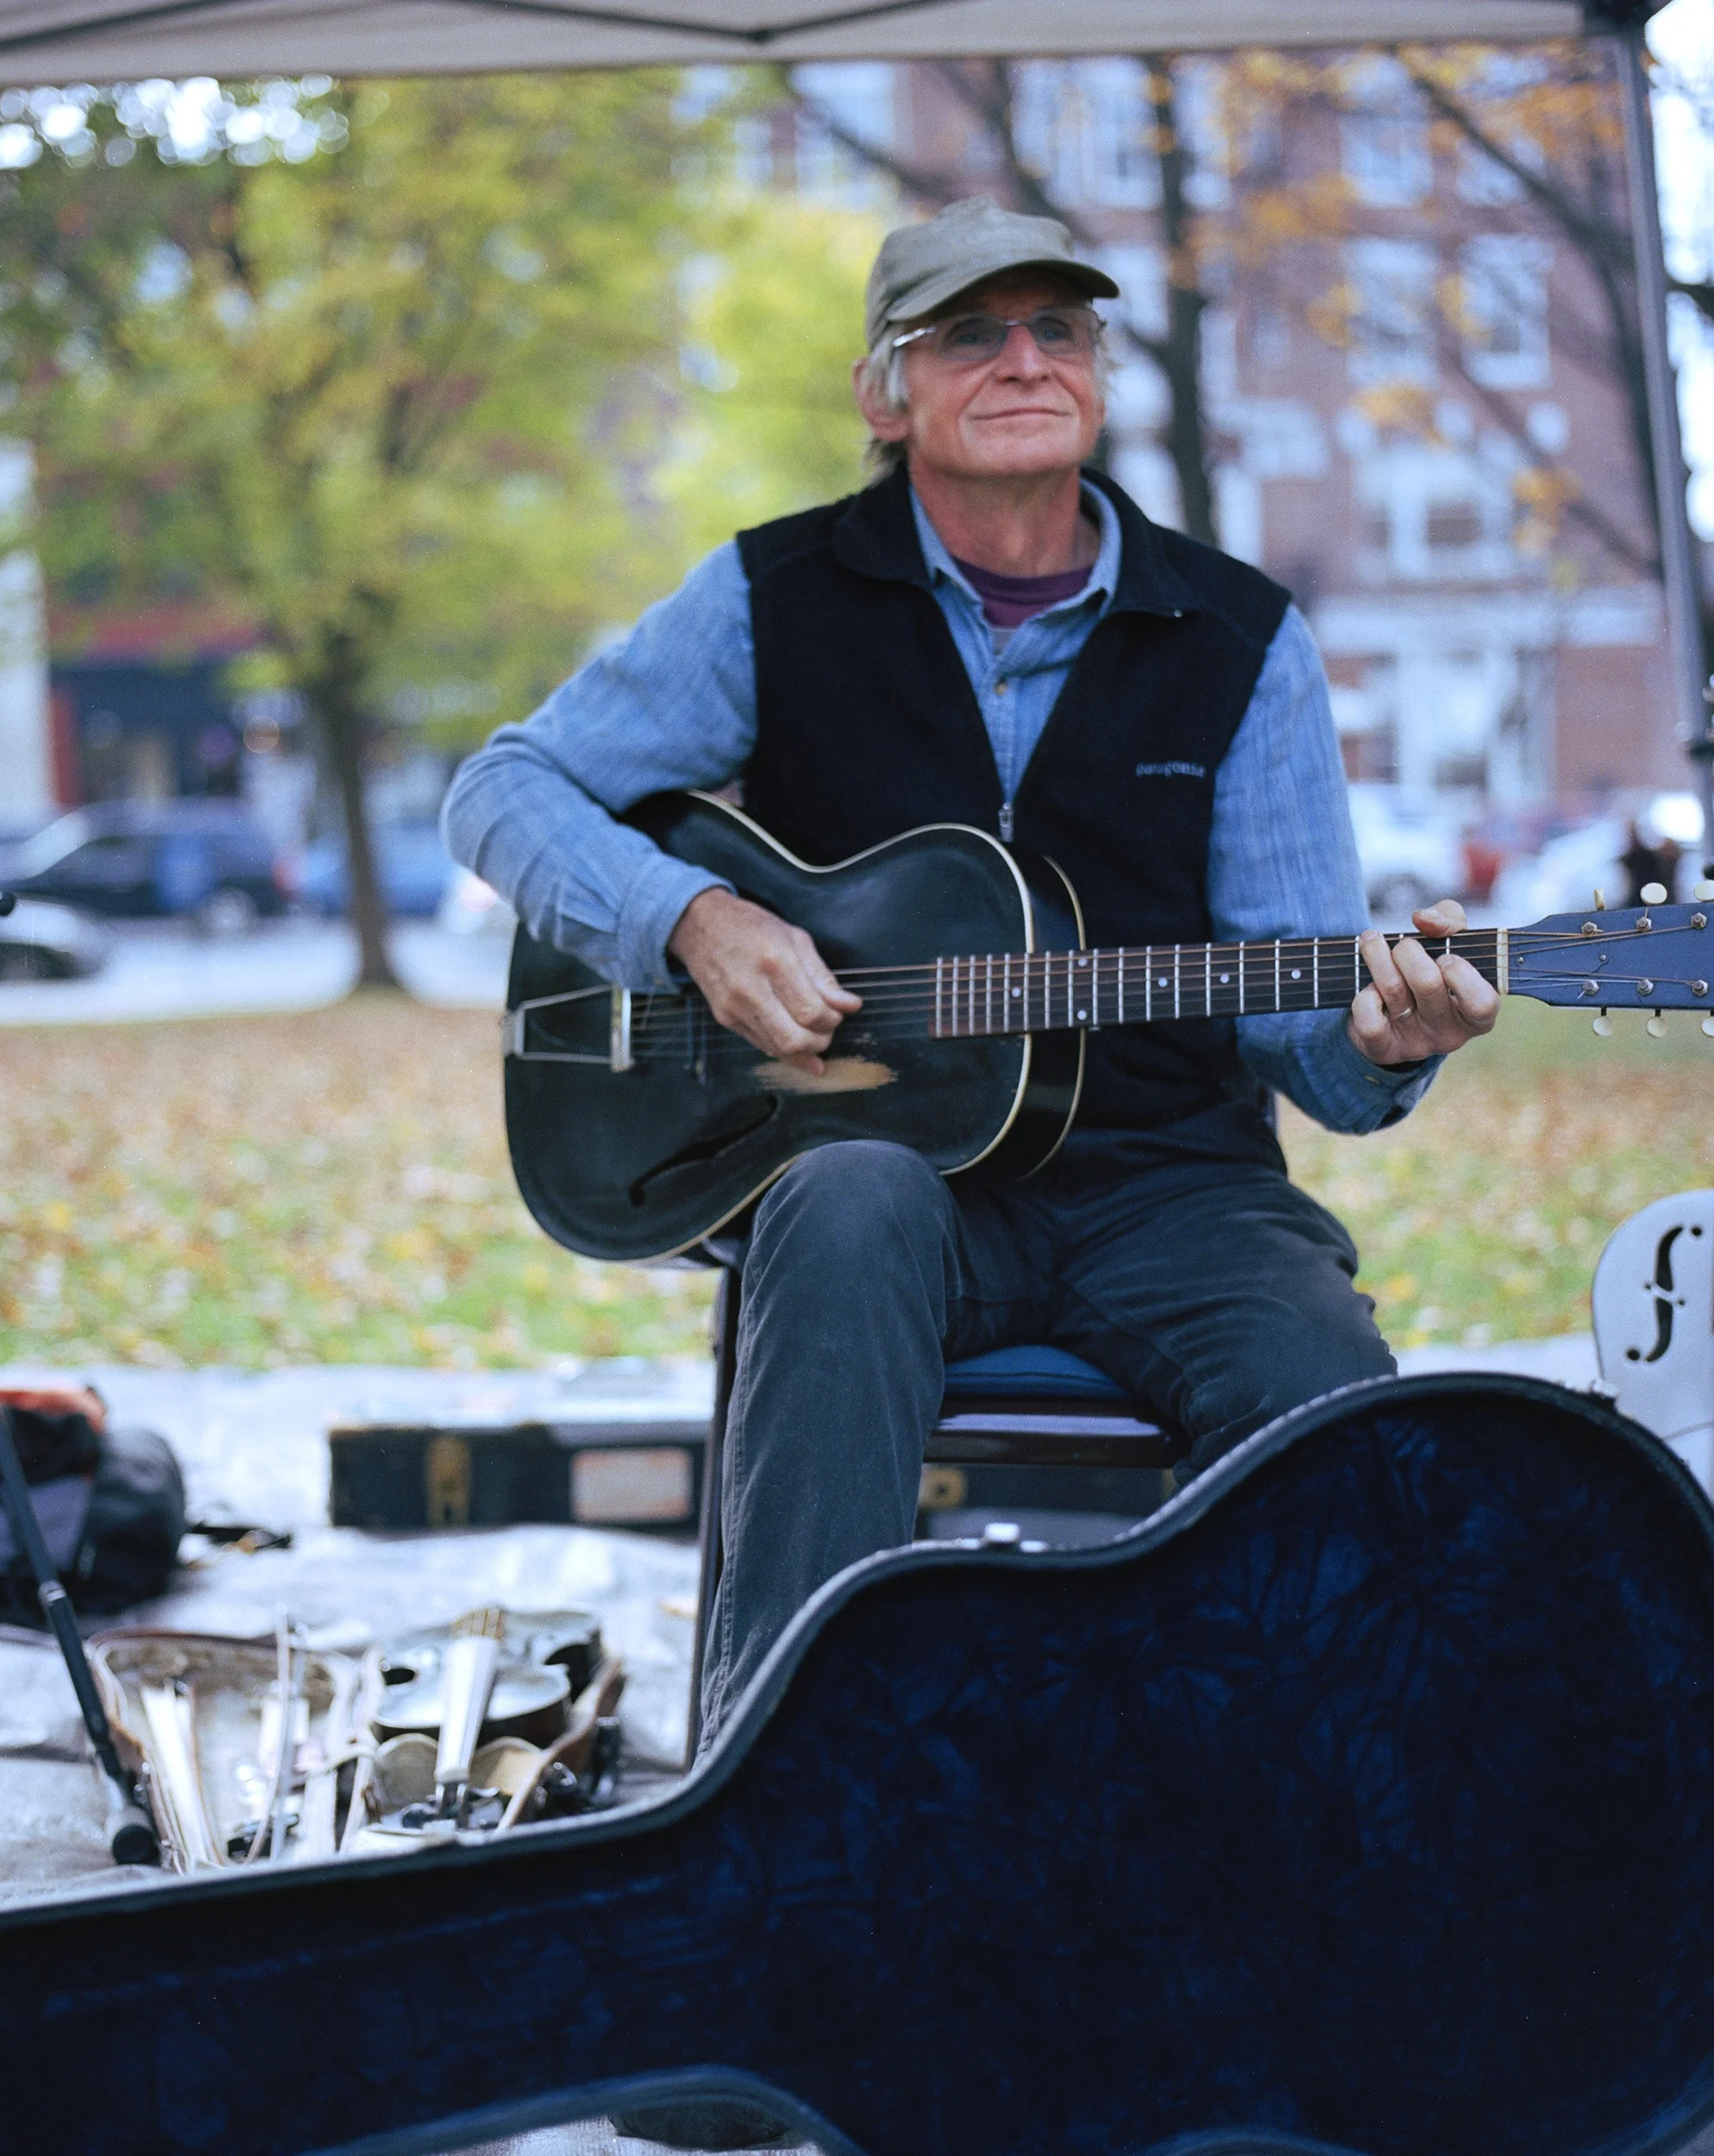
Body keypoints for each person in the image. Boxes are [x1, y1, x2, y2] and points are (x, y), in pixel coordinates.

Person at [445, 196, 1497, 1752]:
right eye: (970, 333)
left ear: (1100, 372)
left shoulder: (1240, 638)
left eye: (1057, 328)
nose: (1023, 359)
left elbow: (1306, 1039)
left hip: (1173, 1186)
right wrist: (692, 921)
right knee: (848, 1203)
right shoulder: (770, 598)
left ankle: (1327, 1804)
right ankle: (775, 1786)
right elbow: (502, 789)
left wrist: (1395, 1045)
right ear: (889, 393)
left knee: (1332, 1393)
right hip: (876, 1175)